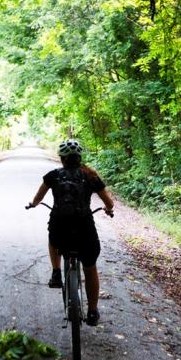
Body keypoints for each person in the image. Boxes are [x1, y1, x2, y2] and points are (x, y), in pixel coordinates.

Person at [24, 138, 114, 326]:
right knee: (90, 267)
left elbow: (38, 197)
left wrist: (32, 204)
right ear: (79, 157)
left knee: (52, 239)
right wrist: (108, 209)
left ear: (62, 159)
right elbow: (109, 202)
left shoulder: (53, 175)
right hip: (85, 228)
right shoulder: (91, 176)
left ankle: (56, 272)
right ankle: (92, 311)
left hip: (60, 226)